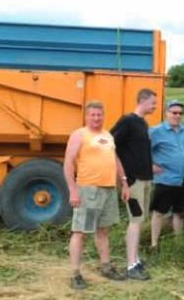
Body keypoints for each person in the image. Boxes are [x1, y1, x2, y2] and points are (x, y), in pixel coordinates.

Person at [64, 101, 130, 290]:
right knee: (81, 232)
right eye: (92, 115)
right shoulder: (79, 135)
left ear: (103, 115)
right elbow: (68, 163)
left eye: (99, 115)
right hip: (88, 191)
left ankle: (106, 267)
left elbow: (114, 159)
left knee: (103, 230)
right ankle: (75, 274)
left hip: (108, 190)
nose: (96, 118)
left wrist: (124, 182)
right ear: (86, 116)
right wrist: (73, 190)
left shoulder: (108, 135)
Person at [110, 88, 157, 281]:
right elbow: (110, 145)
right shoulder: (128, 121)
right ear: (143, 101)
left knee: (140, 220)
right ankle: (131, 266)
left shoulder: (143, 124)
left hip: (145, 179)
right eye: (153, 103)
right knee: (135, 220)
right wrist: (123, 179)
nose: (155, 106)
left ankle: (135, 259)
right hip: (133, 180)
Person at [149, 100, 184, 248]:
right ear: (166, 113)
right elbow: (142, 150)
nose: (177, 116)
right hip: (165, 179)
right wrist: (151, 165)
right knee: (158, 212)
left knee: (179, 212)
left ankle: (178, 244)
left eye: (180, 113)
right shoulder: (156, 131)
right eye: (174, 113)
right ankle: (154, 244)